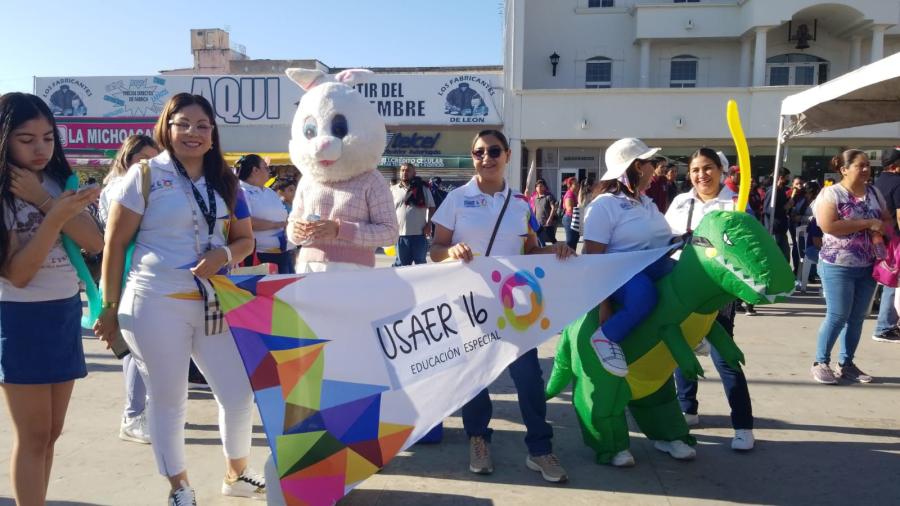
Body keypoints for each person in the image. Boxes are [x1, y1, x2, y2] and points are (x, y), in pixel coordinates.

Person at [94, 93, 265, 504]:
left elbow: (245, 240)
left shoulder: (226, 180)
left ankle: (236, 474)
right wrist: (108, 307)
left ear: (213, 134)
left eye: (202, 125)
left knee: (238, 392)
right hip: (154, 301)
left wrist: (223, 255)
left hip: (213, 301)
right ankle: (180, 487)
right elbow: (114, 245)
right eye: (183, 123)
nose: (193, 132)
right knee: (170, 399)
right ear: (166, 128)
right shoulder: (144, 175)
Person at [430, 129, 574, 483]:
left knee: (528, 378)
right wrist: (451, 252)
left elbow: (528, 248)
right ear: (472, 157)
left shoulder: (520, 204)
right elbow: (433, 251)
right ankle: (478, 439)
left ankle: (540, 449)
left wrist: (555, 250)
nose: (486, 158)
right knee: (476, 378)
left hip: (516, 306)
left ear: (508, 155)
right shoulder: (456, 199)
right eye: (479, 152)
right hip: (472, 305)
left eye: (494, 151)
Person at [0, 92, 103, 506]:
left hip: (64, 311)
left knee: (53, 431)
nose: (41, 148)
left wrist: (46, 201)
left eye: (47, 137)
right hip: (19, 317)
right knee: (34, 434)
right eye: (26, 139)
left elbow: (95, 241)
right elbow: (19, 275)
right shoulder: (4, 192)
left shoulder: (60, 182)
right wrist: (55, 217)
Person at [582, 137, 690, 462]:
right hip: (620, 273)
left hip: (653, 263)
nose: (654, 169)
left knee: (685, 279)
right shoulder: (604, 206)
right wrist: (602, 304)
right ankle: (607, 337)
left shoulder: (646, 202)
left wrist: (683, 240)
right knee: (644, 296)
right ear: (634, 167)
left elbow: (661, 239)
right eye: (648, 163)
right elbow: (593, 258)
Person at [665, 147, 755, 451]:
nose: (701, 175)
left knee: (725, 355)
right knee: (681, 349)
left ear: (721, 170)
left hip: (718, 292)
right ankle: (686, 407)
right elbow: (664, 239)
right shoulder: (680, 202)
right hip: (682, 288)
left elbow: (749, 247)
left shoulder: (735, 203)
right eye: (695, 170)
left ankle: (743, 425)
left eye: (707, 168)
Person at [99, 134, 160, 445]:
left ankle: (145, 412)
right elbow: (117, 240)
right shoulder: (118, 189)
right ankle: (133, 415)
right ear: (128, 158)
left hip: (144, 275)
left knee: (147, 346)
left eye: (153, 160)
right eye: (143, 159)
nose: (148, 166)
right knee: (134, 347)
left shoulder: (148, 183)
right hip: (125, 276)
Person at [811, 150, 890, 385]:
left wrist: (882, 228)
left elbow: (886, 219)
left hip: (868, 265)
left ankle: (847, 364)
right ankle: (820, 362)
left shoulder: (874, 192)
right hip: (838, 264)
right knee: (837, 315)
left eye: (868, 165)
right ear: (844, 169)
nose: (866, 169)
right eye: (860, 166)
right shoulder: (831, 193)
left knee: (856, 317)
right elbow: (828, 226)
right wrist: (867, 223)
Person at [236, 154, 295, 274]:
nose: (269, 170)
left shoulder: (269, 191)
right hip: (260, 256)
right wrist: (277, 224)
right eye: (266, 167)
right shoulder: (241, 192)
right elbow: (246, 223)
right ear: (255, 170)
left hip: (284, 252)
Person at [872, 148, 900, 343]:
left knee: (887, 279)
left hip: (881, 237)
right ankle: (885, 327)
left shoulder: (877, 182)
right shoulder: (898, 182)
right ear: (895, 166)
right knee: (892, 281)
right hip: (895, 238)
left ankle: (885, 325)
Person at [391, 162, 435, 266]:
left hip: (419, 235)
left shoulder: (423, 188)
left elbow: (432, 207)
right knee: (401, 266)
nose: (404, 172)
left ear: (414, 173)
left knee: (420, 265)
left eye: (407, 170)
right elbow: (388, 211)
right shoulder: (393, 189)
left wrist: (429, 225)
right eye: (402, 170)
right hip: (400, 236)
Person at [764, 168, 791, 261]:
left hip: (781, 230)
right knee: (777, 258)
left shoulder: (781, 190)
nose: (788, 179)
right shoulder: (772, 191)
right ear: (780, 178)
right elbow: (768, 210)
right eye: (787, 177)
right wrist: (785, 207)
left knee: (785, 257)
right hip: (774, 230)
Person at [532, 178, 558, 245]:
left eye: (541, 186)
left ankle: (558, 251)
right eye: (537, 186)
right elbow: (534, 210)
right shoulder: (535, 198)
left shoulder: (549, 197)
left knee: (552, 240)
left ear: (544, 187)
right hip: (538, 224)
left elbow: (553, 208)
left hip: (547, 224)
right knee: (540, 241)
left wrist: (550, 219)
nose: (539, 188)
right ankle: (543, 253)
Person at [561, 176, 580, 251]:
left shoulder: (574, 194)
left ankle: (572, 258)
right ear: (570, 185)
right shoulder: (569, 194)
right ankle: (569, 259)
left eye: (578, 183)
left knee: (574, 240)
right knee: (571, 242)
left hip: (573, 218)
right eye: (576, 184)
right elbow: (569, 209)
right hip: (569, 218)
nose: (578, 185)